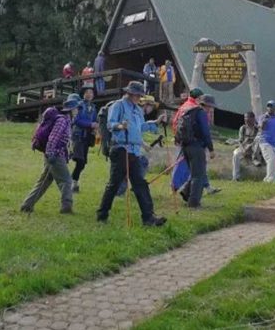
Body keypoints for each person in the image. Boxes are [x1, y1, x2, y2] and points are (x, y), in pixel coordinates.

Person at [96, 81, 167, 226]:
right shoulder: (118, 105)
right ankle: (102, 214)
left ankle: (149, 218)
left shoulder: (137, 109)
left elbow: (141, 127)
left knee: (140, 183)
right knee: (114, 184)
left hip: (133, 151)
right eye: (136, 94)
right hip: (121, 149)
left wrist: (156, 122)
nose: (138, 97)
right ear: (129, 93)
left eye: (140, 95)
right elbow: (110, 124)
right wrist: (120, 126)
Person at [21, 94, 79, 214]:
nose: (78, 111)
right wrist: (51, 154)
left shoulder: (67, 120)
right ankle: (66, 207)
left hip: (55, 155)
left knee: (44, 182)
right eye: (77, 108)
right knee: (67, 181)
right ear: (72, 110)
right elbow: (53, 138)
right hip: (55, 156)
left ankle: (27, 205)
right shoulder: (62, 121)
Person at [177, 94, 216, 208]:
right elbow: (205, 133)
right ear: (207, 105)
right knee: (199, 175)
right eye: (210, 106)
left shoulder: (190, 111)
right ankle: (194, 203)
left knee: (194, 173)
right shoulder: (202, 114)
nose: (211, 109)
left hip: (186, 146)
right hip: (196, 147)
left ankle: (186, 192)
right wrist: (211, 149)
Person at [71, 85, 98, 193]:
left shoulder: (94, 107)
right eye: (87, 92)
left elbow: (95, 120)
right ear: (83, 94)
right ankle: (73, 183)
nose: (89, 94)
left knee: (82, 163)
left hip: (88, 137)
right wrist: (90, 124)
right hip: (78, 136)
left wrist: (96, 127)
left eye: (91, 92)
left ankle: (73, 182)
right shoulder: (79, 105)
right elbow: (76, 120)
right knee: (80, 160)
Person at [258, 101, 275, 182]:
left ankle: (270, 179)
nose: (270, 108)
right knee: (271, 159)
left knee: (274, 161)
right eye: (268, 106)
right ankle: (270, 179)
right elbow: (261, 129)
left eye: (271, 106)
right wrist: (264, 122)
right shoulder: (263, 117)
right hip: (265, 141)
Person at [232, 112, 258, 181]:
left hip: (254, 148)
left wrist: (250, 146)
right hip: (244, 147)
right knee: (235, 154)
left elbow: (257, 141)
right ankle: (236, 177)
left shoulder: (256, 129)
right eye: (245, 117)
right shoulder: (243, 128)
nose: (246, 119)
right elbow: (240, 141)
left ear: (253, 119)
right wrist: (243, 149)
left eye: (248, 117)